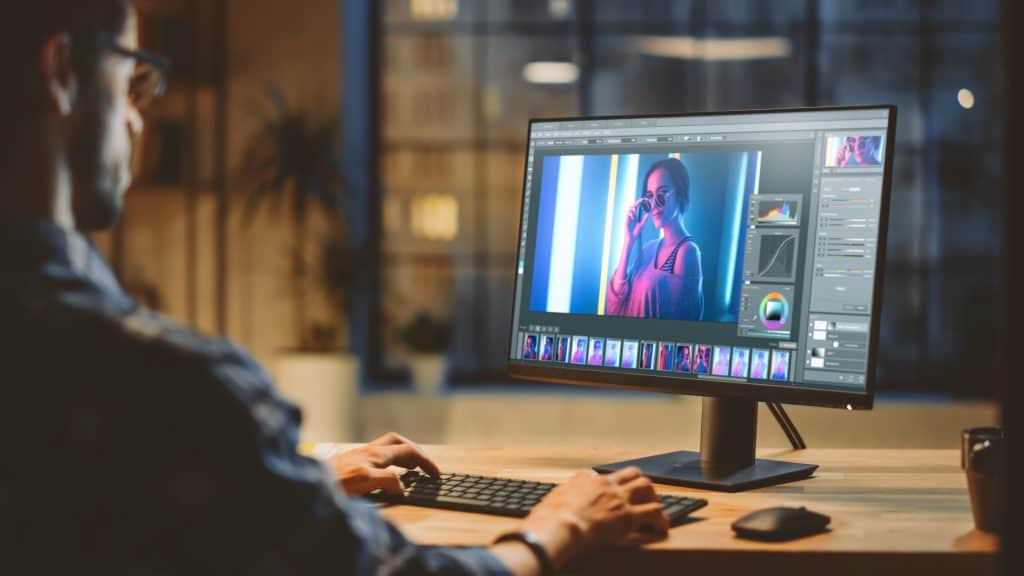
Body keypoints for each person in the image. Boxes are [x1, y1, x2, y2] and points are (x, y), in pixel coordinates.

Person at [0, 2, 669, 573]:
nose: (138, 120)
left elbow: (121, 501)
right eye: (131, 80)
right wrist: (560, 528)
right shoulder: (169, 385)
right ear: (61, 72)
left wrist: (290, 484)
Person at [607, 157, 704, 320]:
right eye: (650, 197)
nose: (654, 205)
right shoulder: (649, 249)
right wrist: (628, 241)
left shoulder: (687, 252)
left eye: (662, 194)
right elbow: (616, 300)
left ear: (679, 192)